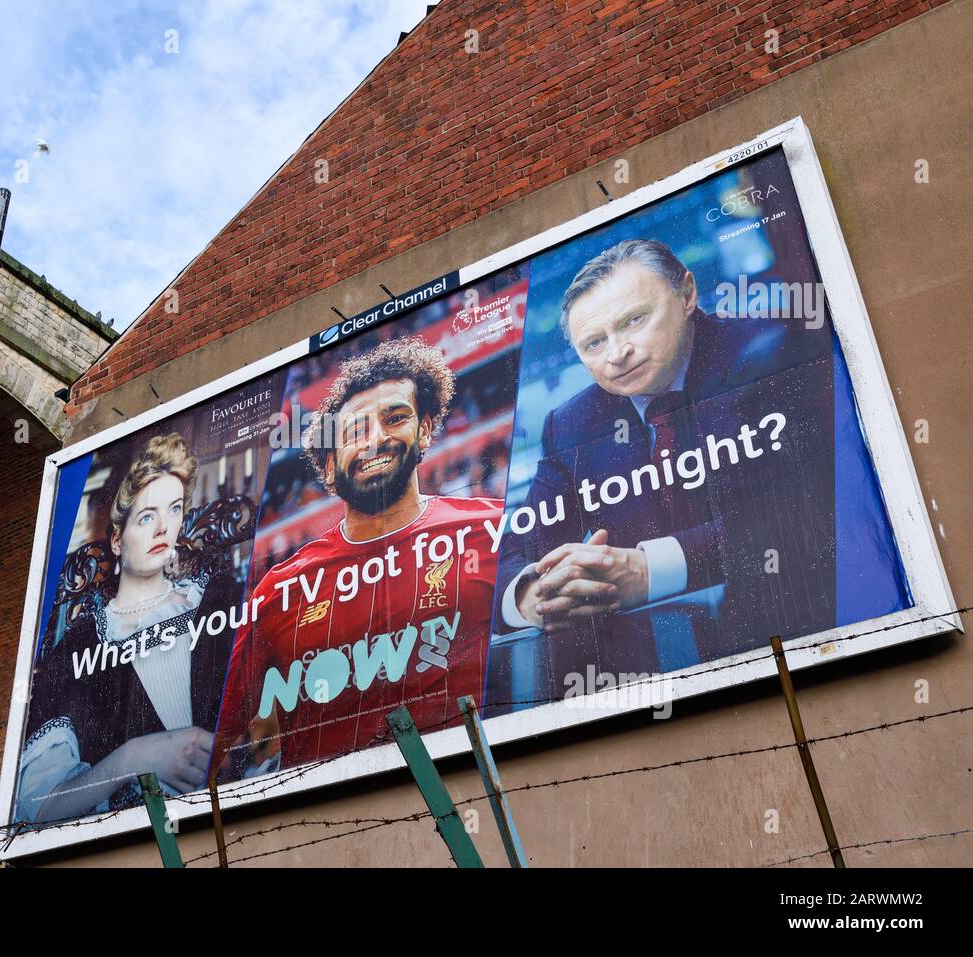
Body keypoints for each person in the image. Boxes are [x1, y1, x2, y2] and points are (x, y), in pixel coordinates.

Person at [495, 238, 835, 689]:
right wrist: (534, 593)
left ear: (687, 294)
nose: (617, 354)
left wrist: (647, 570)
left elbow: (809, 506)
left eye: (634, 320)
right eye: (594, 343)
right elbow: (510, 551)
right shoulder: (570, 424)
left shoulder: (771, 353)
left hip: (810, 641)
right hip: (657, 682)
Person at [212, 337, 504, 777]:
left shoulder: (493, 529)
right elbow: (220, 737)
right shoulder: (281, 590)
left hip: (480, 789)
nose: (376, 439)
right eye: (353, 432)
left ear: (425, 429)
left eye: (395, 418)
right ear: (328, 468)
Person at [15, 433, 240, 824]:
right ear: (117, 540)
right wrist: (136, 757)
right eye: (146, 516)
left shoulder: (220, 599)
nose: (162, 529)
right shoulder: (77, 648)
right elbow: (37, 807)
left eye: (173, 511)